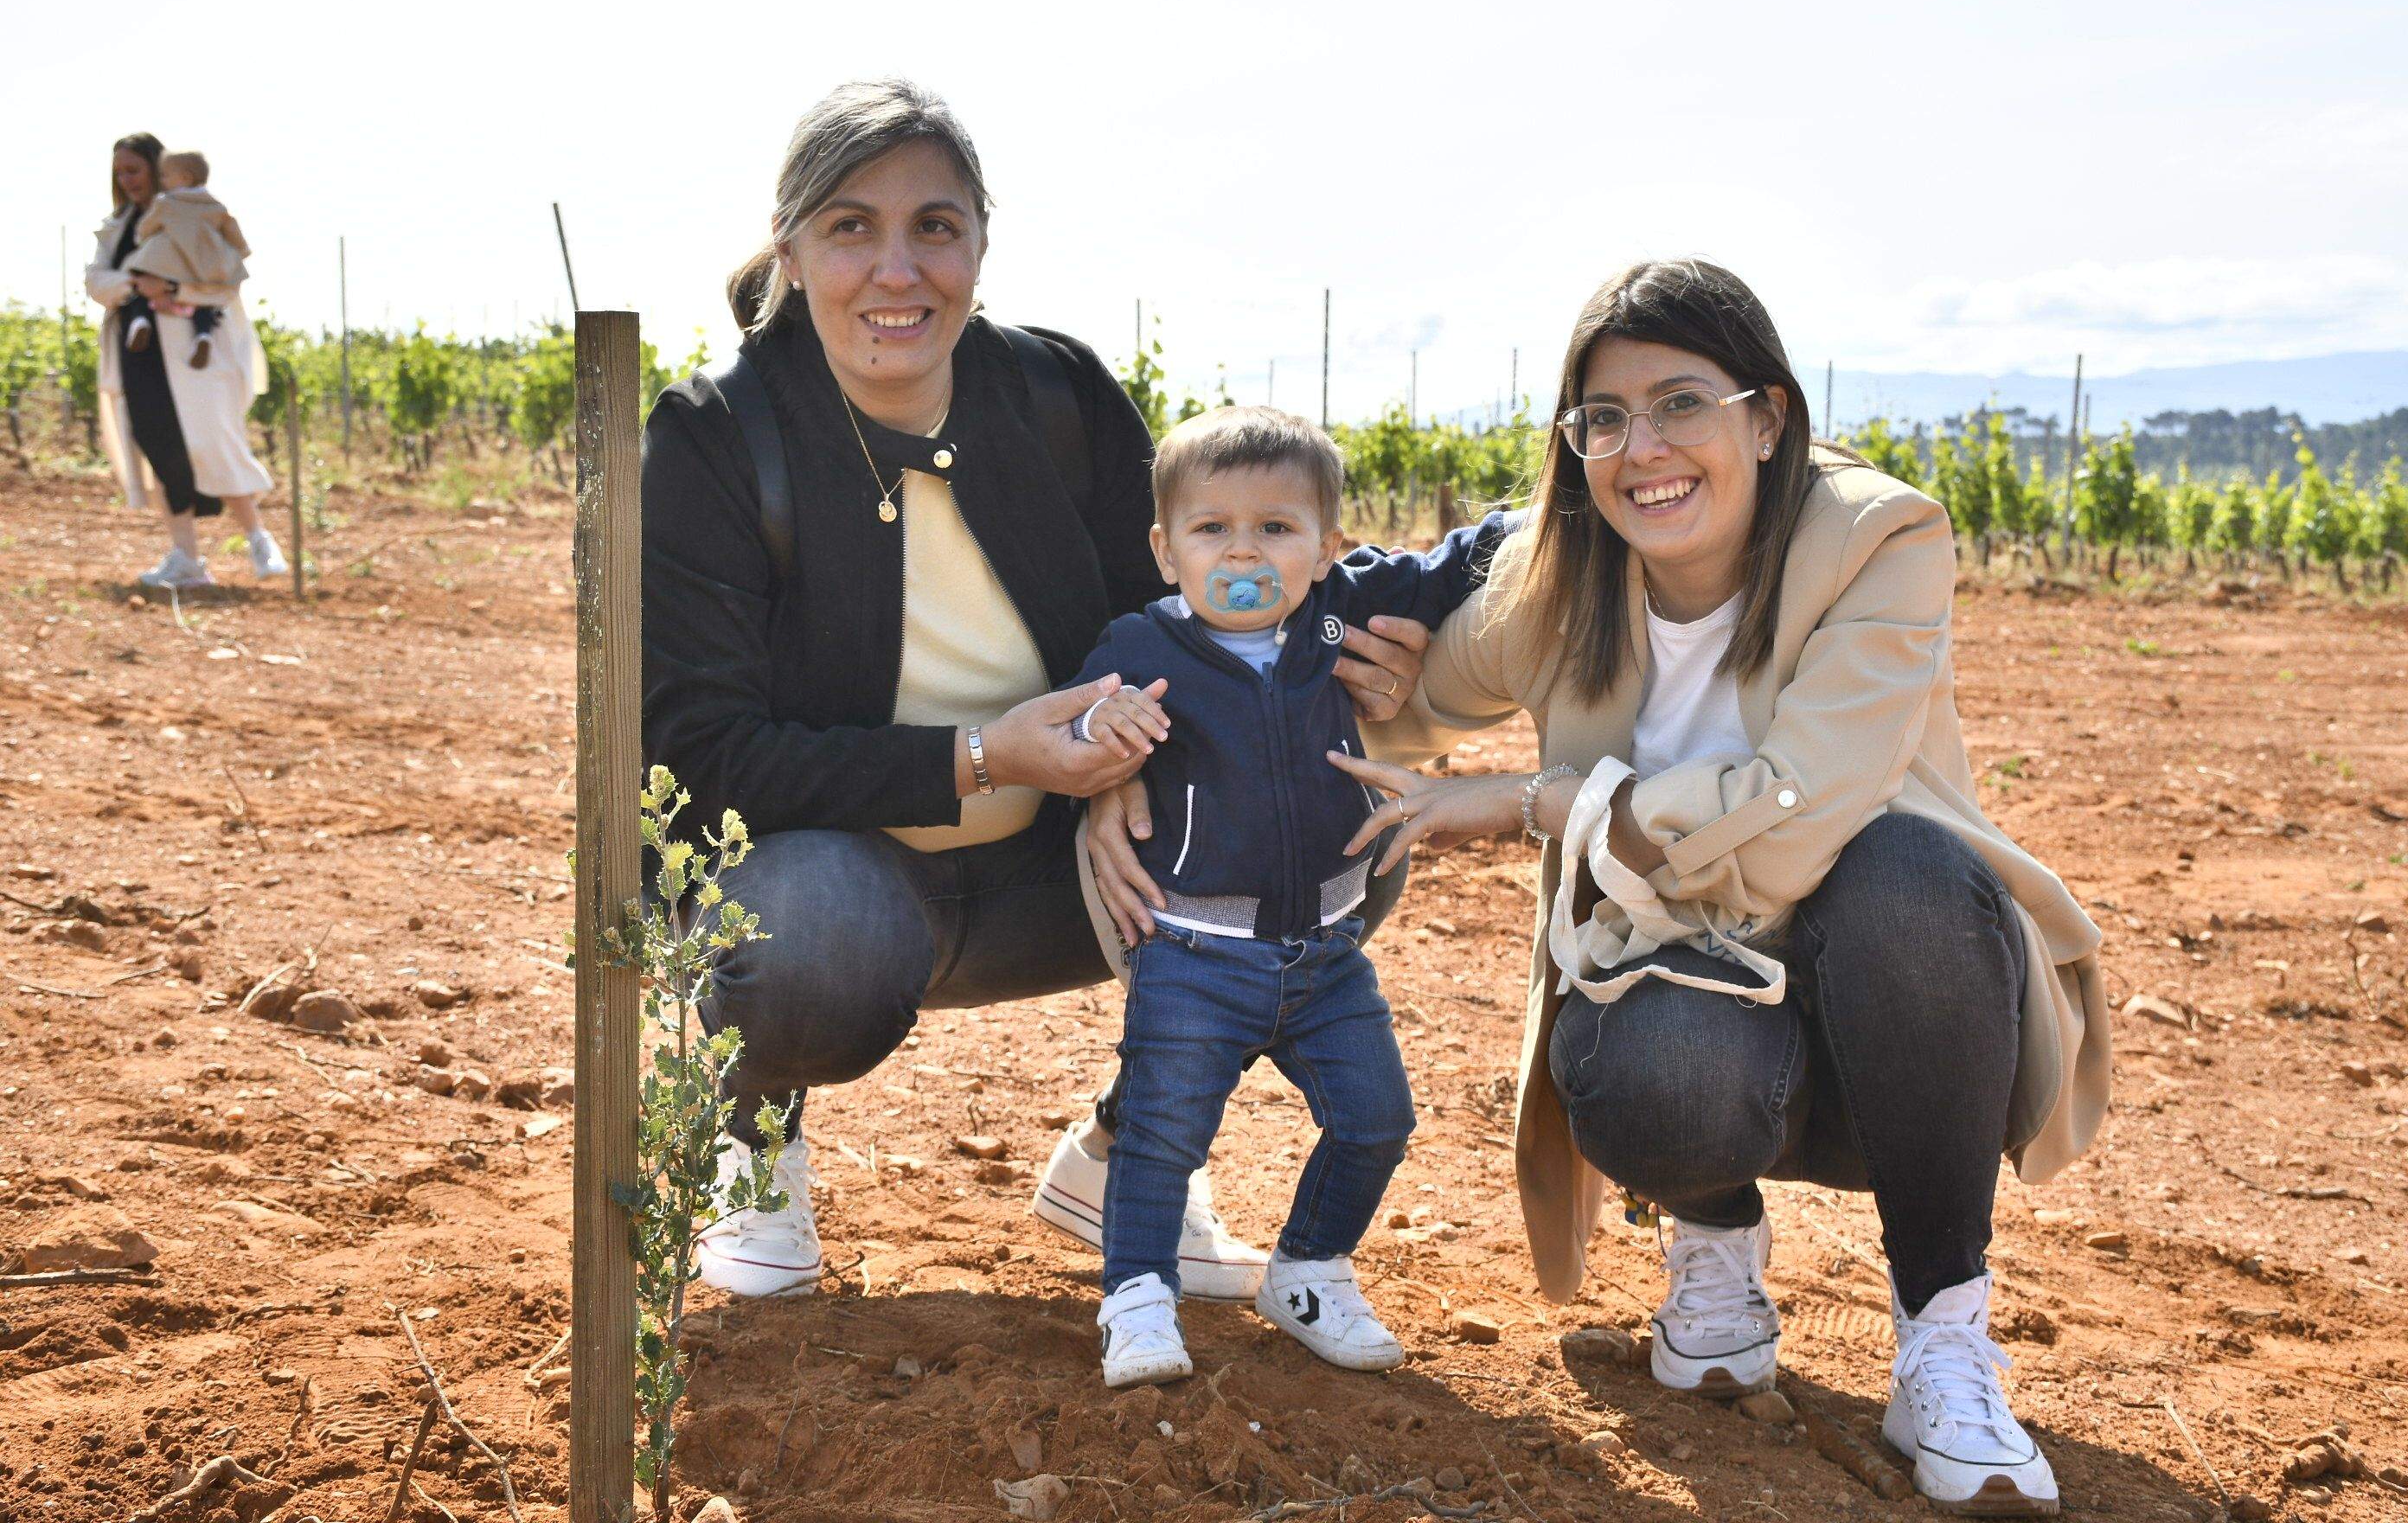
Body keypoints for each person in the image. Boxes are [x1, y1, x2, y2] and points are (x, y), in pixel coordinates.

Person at [1095, 259, 2111, 1516]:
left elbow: (1799, 815)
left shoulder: (1876, 543)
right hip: (1698, 1001)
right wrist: (1121, 759)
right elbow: (1365, 696)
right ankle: (1715, 1246)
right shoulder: (1561, 569)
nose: (1645, 450)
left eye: (1684, 402)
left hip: (1899, 1027)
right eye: (1606, 419)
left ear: (1769, 415)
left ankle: (1943, 1337)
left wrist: (1543, 802)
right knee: (1650, 1068)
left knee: (1909, 875)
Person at [639, 80, 1436, 1304]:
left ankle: (1127, 1159)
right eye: (851, 227)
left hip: (1050, 876)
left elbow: (1171, 627)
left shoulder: (1055, 396)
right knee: (810, 940)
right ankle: (757, 1154)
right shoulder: (715, 438)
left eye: (936, 227)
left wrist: (1136, 768)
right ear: (791, 250)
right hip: (833, 877)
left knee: (1342, 834)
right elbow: (701, 754)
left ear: (979, 244)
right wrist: (988, 756)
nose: (897, 269)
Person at [1066, 407, 1510, 1388]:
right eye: (1211, 527)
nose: (1243, 549)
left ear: (1325, 547)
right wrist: (1108, 724)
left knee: (1376, 1116)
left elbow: (1456, 562)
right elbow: (1072, 720)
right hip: (1191, 951)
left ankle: (1306, 1268)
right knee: (1163, 1135)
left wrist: (1534, 519)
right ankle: (1135, 1296)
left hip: (1327, 953)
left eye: (1277, 526)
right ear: (1165, 547)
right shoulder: (1141, 643)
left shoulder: (1335, 617)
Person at [84, 132, 285, 590]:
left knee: (213, 440)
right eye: (119, 172)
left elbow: (224, 284)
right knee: (159, 450)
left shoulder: (189, 217)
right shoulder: (117, 226)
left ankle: (259, 538)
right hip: (139, 357)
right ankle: (187, 558)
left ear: (158, 169)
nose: (126, 180)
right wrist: (137, 287)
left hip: (194, 356)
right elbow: (97, 282)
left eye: (133, 169)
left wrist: (172, 290)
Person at [127, 150, 251, 371]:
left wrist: (142, 237)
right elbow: (235, 236)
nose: (162, 181)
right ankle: (203, 335)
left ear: (185, 178)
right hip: (202, 269)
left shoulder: (166, 203)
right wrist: (238, 254)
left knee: (141, 290)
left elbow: (145, 228)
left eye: (166, 175)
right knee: (206, 304)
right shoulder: (215, 206)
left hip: (167, 263)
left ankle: (140, 321)